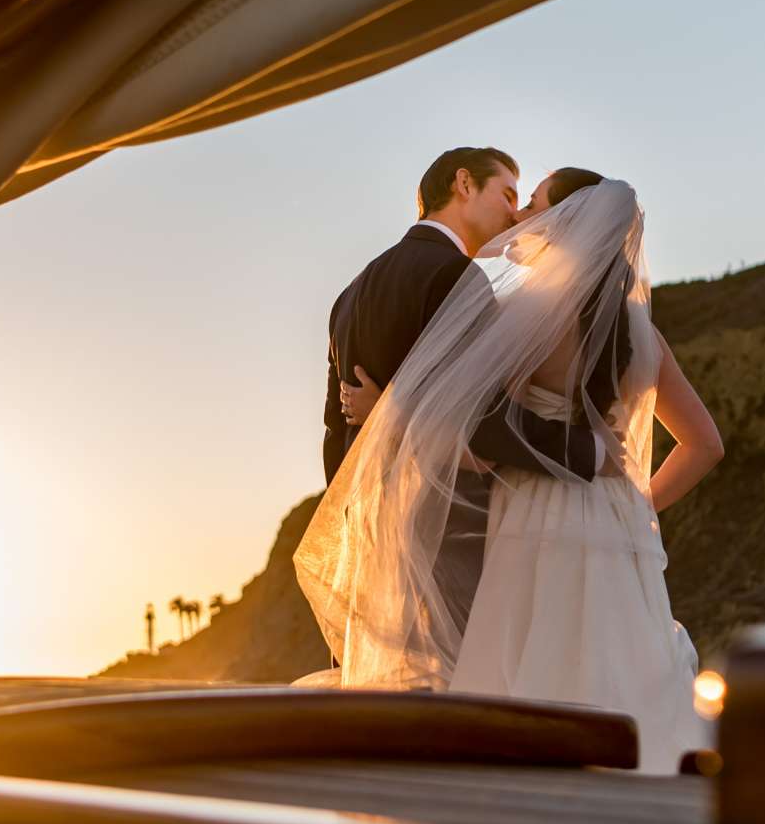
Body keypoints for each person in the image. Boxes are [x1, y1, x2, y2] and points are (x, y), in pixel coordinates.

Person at [298, 168, 722, 771]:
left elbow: (472, 424)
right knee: (621, 659)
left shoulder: (525, 318)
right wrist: (634, 506)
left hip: (533, 508)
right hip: (617, 519)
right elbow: (705, 445)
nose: (522, 214)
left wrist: (384, 407)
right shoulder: (642, 329)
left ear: (565, 224)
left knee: (524, 663)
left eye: (534, 204)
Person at [321, 147, 603, 636]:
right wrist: (582, 450)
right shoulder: (457, 277)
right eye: (507, 194)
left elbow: (335, 429)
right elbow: (483, 419)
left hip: (369, 533)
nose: (516, 213)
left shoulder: (352, 290)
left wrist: (355, 519)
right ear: (464, 184)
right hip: (449, 532)